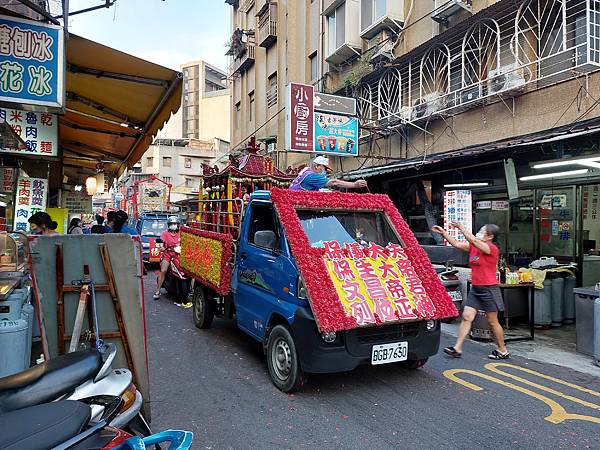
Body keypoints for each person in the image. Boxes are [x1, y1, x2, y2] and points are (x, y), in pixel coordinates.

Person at [432, 222, 509, 360]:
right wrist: (444, 233)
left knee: (492, 321)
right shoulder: (474, 247)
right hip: (476, 288)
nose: (479, 232)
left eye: (482, 231)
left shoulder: (491, 248)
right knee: (467, 316)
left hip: (489, 289)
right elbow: (456, 244)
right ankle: (457, 348)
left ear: (490, 236)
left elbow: (473, 239)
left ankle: (502, 350)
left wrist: (461, 227)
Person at [154, 216, 191, 308]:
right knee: (163, 271)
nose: (174, 226)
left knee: (189, 269)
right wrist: (162, 247)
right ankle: (158, 291)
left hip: (179, 254)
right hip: (168, 254)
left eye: (175, 224)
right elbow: (161, 243)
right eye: (172, 224)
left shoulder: (182, 233)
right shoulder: (165, 234)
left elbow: (187, 241)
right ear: (169, 225)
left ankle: (189, 289)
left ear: (178, 225)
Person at [289, 156, 369, 191]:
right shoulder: (312, 176)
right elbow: (334, 182)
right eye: (325, 168)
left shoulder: (306, 173)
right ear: (317, 166)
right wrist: (354, 185)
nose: (325, 171)